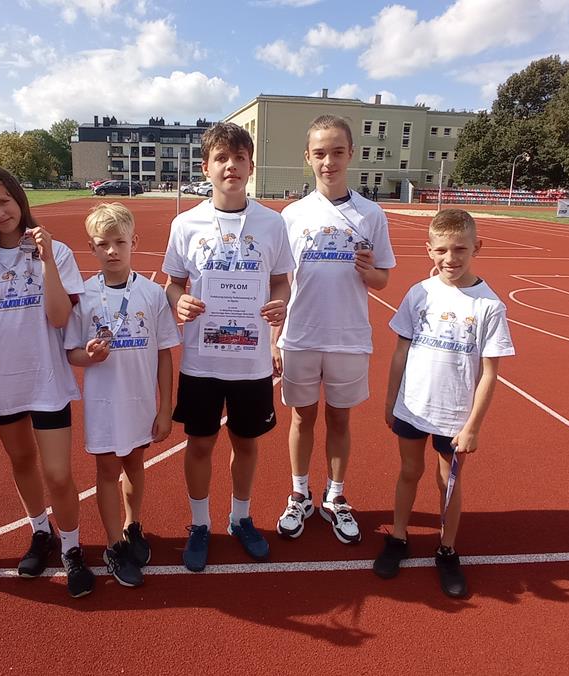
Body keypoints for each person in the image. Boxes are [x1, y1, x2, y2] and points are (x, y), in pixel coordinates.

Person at [163, 122, 295, 572]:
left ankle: (240, 517)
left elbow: (281, 279)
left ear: (251, 166)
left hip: (251, 360)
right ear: (207, 167)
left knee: (247, 443)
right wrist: (179, 302)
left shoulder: (272, 223)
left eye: (239, 158)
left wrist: (280, 303)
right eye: (221, 158)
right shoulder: (185, 224)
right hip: (202, 360)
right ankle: (200, 524)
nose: (230, 166)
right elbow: (173, 284)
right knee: (200, 444)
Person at [0, 165, 95, 598]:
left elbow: (59, 317)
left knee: (58, 473)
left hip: (48, 381)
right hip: (2, 387)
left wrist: (48, 259)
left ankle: (72, 547)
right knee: (22, 464)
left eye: (4, 201)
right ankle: (41, 532)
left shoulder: (55, 252)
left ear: (19, 199)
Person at [373, 208, 515, 598]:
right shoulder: (419, 293)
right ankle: (399, 539)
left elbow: (489, 373)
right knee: (408, 472)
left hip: (454, 416)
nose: (450, 258)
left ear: (476, 248)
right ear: (429, 250)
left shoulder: (488, 306)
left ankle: (447, 549)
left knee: (447, 483)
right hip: (412, 407)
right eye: (441, 250)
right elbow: (400, 351)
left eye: (460, 249)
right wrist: (390, 400)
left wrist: (472, 426)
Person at [273, 115, 395, 544]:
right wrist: (276, 338)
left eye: (337, 152)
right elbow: (280, 279)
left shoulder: (371, 213)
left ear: (352, 155)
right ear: (308, 158)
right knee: (302, 418)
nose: (329, 161)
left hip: (348, 337)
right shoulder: (291, 215)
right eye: (320, 153)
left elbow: (383, 279)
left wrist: (368, 272)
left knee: (339, 419)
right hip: (301, 334)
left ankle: (336, 496)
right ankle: (299, 492)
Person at [65, 202, 179, 588]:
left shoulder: (152, 294)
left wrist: (166, 409)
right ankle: (113, 545)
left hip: (140, 403)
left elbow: (165, 355)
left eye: (119, 242)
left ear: (134, 242)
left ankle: (133, 525)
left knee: (134, 465)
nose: (112, 250)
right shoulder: (84, 296)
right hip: (103, 404)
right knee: (107, 471)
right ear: (92, 248)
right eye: (103, 244)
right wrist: (88, 355)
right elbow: (72, 352)